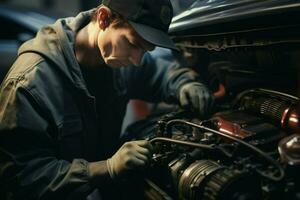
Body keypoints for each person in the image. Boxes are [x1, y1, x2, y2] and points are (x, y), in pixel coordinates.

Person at [0, 0, 214, 199]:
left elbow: (160, 73)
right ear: (103, 18)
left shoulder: (118, 59)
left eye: (146, 50)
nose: (137, 60)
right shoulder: (30, 83)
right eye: (133, 44)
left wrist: (186, 84)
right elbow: (21, 178)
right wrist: (106, 168)